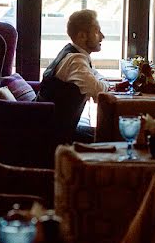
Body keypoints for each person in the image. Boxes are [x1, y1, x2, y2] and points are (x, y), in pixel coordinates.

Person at [36, 10, 127, 143]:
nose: (102, 37)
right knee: (114, 138)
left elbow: (96, 76)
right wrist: (104, 82)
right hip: (55, 135)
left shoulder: (74, 53)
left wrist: (100, 80)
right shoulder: (76, 60)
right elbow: (98, 91)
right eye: (97, 32)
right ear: (82, 36)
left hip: (57, 128)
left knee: (111, 134)